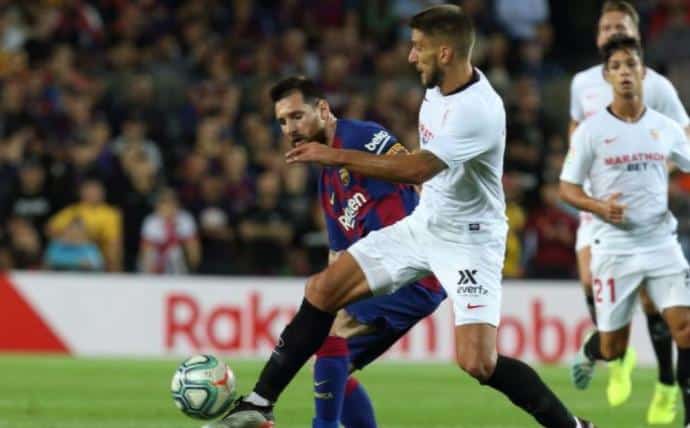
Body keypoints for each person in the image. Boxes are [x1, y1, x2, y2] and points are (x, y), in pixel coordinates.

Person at [212, 5, 594, 428]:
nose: (411, 57)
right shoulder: (436, 92)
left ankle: (571, 426)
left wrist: (333, 155)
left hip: (471, 241)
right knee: (323, 289)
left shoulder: (478, 111)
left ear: (445, 53)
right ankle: (259, 403)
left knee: (478, 362)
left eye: (418, 48)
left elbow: (416, 169)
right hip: (425, 226)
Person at [271, 75, 446, 428]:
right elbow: (338, 256)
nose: (290, 128)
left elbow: (414, 170)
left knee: (331, 339)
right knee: (332, 362)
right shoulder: (328, 186)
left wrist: (337, 156)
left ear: (323, 109)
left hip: (413, 271)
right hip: (382, 275)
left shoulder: (362, 136)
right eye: (282, 122)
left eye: (297, 115)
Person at [568, 1, 690, 419]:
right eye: (605, 26)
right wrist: (592, 189)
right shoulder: (582, 85)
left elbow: (682, 137)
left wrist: (652, 165)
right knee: (591, 287)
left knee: (668, 313)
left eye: (619, 25)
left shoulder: (655, 88)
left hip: (648, 221)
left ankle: (668, 383)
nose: (610, 31)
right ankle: (611, 354)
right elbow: (573, 140)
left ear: (637, 35)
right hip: (599, 208)